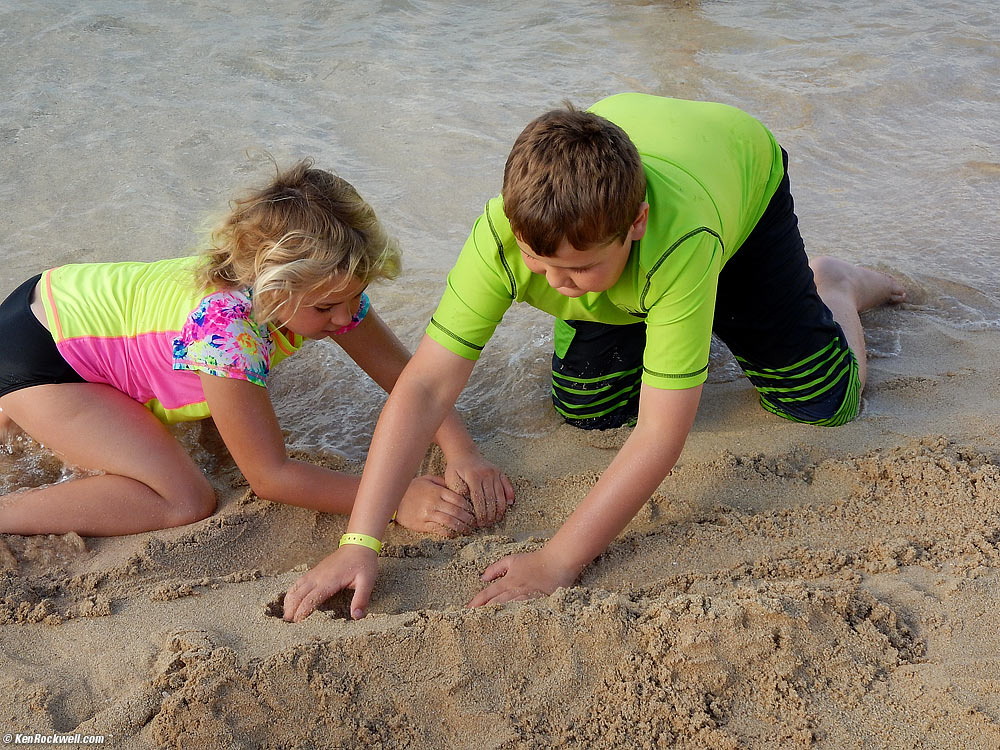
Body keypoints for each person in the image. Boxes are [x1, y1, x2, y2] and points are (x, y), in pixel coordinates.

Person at [282, 93, 905, 622]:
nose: (557, 283)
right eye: (539, 263)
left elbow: (664, 432)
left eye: (578, 268)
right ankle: (655, 315)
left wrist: (558, 560)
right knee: (590, 409)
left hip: (736, 180)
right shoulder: (506, 232)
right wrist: (360, 540)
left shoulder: (679, 238)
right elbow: (423, 389)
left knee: (822, 402)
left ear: (635, 223)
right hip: (612, 184)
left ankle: (833, 286)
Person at [0, 159, 513, 537]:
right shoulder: (227, 332)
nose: (346, 317)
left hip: (57, 301)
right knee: (184, 498)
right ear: (271, 288)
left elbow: (410, 379)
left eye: (355, 297)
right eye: (328, 308)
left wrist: (460, 448)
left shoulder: (324, 287)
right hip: (44, 357)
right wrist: (395, 499)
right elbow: (269, 477)